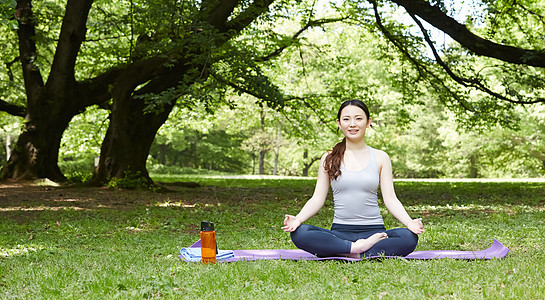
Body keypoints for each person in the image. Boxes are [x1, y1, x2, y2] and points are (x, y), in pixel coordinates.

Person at [282, 99, 424, 258]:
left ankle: (347, 252)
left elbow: (390, 199)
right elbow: (317, 199)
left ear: (368, 122)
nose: (352, 124)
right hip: (340, 233)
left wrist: (409, 222)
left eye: (358, 118)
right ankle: (356, 249)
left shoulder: (381, 157)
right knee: (301, 233)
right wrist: (298, 219)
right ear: (339, 123)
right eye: (346, 119)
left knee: (408, 237)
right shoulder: (328, 158)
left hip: (375, 234)